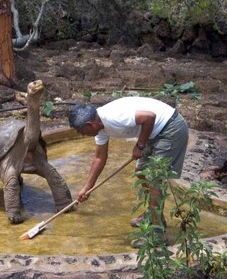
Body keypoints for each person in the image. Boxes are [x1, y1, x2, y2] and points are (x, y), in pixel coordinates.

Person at [68, 97, 189, 234]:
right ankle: (155, 215)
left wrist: (140, 145)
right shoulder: (100, 129)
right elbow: (99, 158)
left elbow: (149, 117)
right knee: (141, 171)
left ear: (90, 125)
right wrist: (87, 188)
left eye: (81, 131)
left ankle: (157, 233)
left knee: (154, 179)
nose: (82, 135)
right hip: (153, 131)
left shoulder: (114, 116)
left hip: (170, 128)